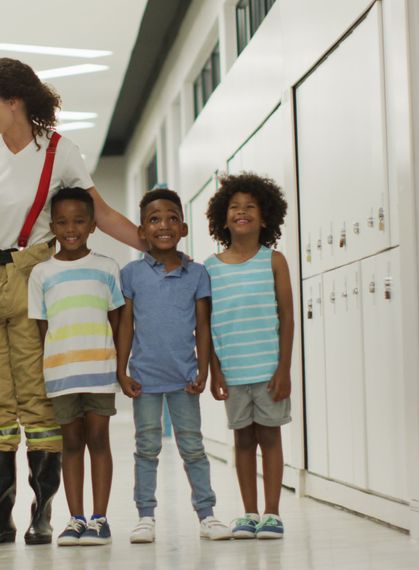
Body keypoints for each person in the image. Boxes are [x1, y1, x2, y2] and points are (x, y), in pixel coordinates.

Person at [0, 56, 142, 547]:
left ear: (14, 101)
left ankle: (43, 515)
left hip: (32, 273)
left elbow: (103, 213)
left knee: (37, 394)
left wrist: (154, 245)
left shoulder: (60, 151)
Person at [116, 189, 232, 544]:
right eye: (154, 219)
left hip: (185, 379)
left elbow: (203, 325)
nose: (163, 225)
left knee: (193, 447)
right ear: (142, 231)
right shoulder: (132, 274)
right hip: (145, 379)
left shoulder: (197, 273)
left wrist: (204, 369)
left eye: (171, 219)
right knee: (146, 447)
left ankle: (207, 514)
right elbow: (125, 325)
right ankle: (145, 516)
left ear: (182, 228)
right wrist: (122, 370)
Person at [26, 187, 123, 546]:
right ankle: (75, 518)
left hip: (99, 371)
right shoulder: (41, 273)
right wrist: (51, 367)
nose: (71, 228)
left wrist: (119, 367)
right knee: (70, 443)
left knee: (98, 440)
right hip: (61, 374)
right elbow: (42, 329)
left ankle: (100, 518)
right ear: (52, 226)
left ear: (92, 225)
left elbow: (117, 322)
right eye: (63, 222)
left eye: (79, 221)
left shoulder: (107, 267)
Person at [205, 173, 293, 540]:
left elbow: (287, 317)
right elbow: (207, 326)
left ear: (265, 217)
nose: (242, 212)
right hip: (234, 371)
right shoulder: (210, 267)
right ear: (223, 220)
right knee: (242, 440)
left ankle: (272, 513)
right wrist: (215, 371)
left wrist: (285, 369)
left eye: (250, 207)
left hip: (269, 370)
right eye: (234, 208)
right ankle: (249, 512)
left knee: (270, 438)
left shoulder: (274, 261)